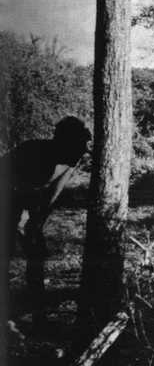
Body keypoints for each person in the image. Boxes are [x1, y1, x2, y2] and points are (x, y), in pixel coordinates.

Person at [2, 116, 91, 311]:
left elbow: (53, 194)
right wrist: (23, 215)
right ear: (63, 141)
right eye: (77, 145)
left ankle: (37, 304)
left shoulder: (72, 157)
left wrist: (38, 219)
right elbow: (15, 183)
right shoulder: (35, 151)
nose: (81, 151)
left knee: (36, 250)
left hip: (24, 199)